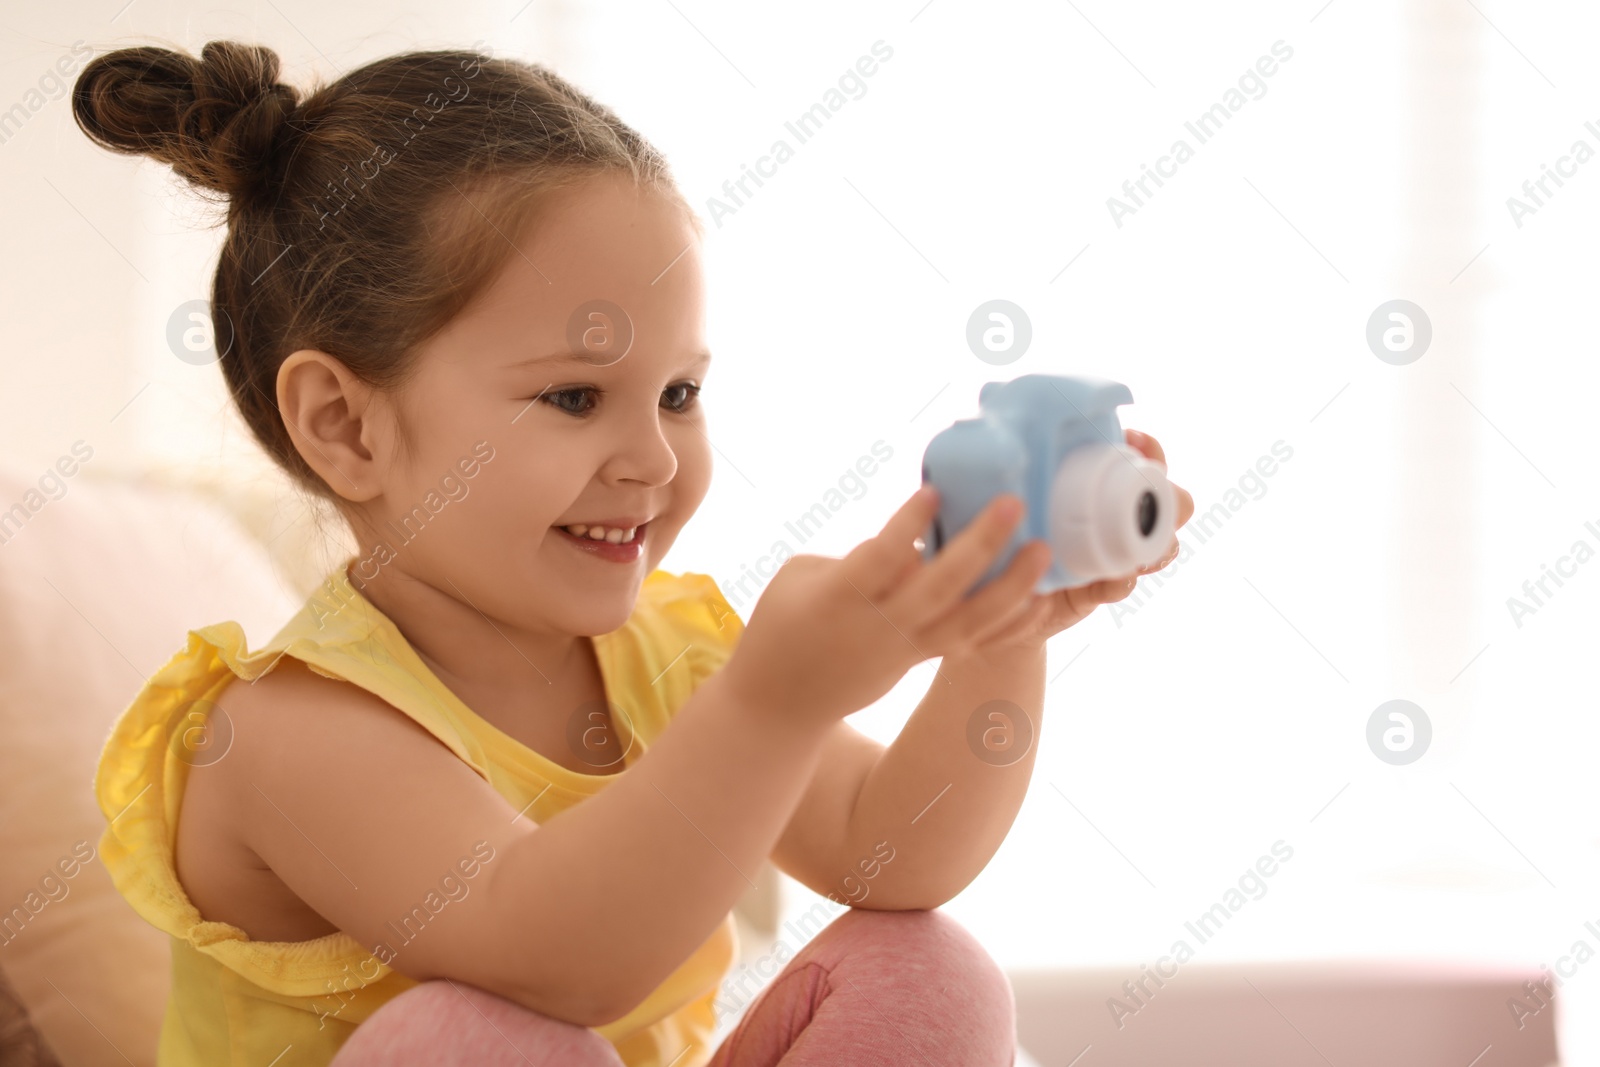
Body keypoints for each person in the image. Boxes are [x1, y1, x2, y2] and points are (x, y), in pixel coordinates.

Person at [75, 39, 1193, 1066]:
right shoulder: (289, 736)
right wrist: (771, 702)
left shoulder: (663, 649)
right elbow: (557, 959)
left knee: (924, 964)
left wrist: (998, 629)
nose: (654, 459)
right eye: (574, 394)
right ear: (347, 425)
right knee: (467, 1037)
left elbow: (889, 852)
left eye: (679, 393)